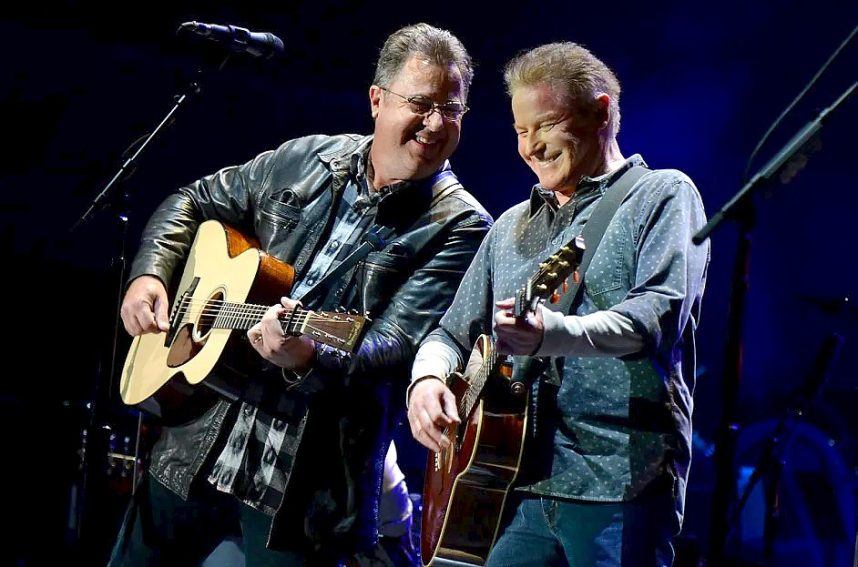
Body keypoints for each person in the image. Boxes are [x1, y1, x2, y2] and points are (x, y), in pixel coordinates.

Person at [111, 23, 491, 565]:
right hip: (197, 441)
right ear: (377, 100)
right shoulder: (307, 158)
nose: (435, 124)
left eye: (451, 110)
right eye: (421, 104)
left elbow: (396, 342)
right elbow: (193, 200)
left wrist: (309, 355)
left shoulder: (462, 225)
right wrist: (149, 273)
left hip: (304, 489)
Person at [407, 42, 709, 566]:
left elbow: (655, 317)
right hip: (513, 487)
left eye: (545, 125)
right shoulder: (508, 227)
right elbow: (450, 333)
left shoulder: (663, 194)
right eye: (520, 131)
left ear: (602, 112)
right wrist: (428, 380)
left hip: (618, 485)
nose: (531, 147)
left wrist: (554, 333)